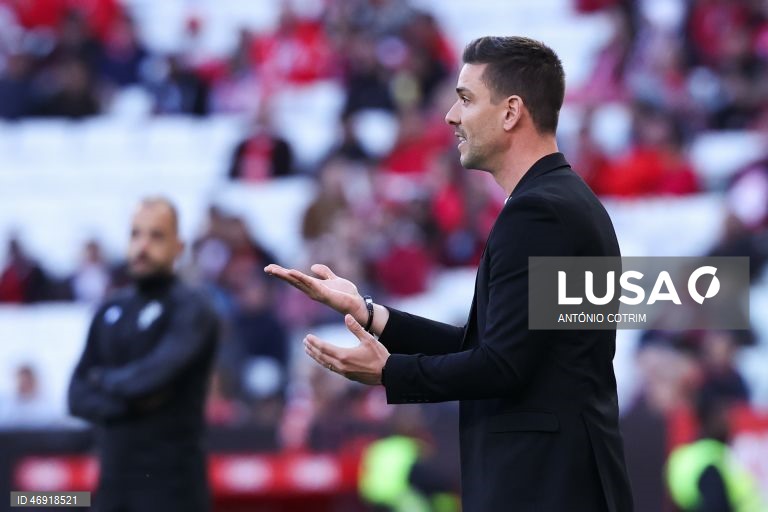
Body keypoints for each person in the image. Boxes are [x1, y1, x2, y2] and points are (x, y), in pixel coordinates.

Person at [266, 36, 634, 511]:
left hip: (544, 485)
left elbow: (502, 366)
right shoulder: (562, 203)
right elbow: (500, 349)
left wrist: (390, 372)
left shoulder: (538, 213)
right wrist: (371, 315)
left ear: (511, 112)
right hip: (560, 479)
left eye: (465, 99)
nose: (450, 117)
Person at [68, 197, 219, 512]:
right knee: (33, 501)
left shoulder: (193, 308)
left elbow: (153, 377)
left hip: (173, 490)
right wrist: (132, 399)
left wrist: (102, 381)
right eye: (135, 234)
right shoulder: (110, 308)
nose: (142, 246)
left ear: (179, 246)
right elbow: (75, 396)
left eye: (156, 235)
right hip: (112, 488)